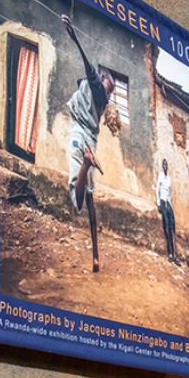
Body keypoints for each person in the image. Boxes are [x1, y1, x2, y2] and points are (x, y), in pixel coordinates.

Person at [61, 14, 115, 273]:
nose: (109, 91)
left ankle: (84, 164)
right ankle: (95, 256)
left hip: (79, 137)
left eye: (111, 88)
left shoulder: (98, 88)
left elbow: (91, 73)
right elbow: (87, 80)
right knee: (90, 201)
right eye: (110, 84)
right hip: (90, 140)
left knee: (77, 197)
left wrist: (75, 38)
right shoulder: (100, 99)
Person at [155, 158, 178, 262]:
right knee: (167, 224)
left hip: (168, 203)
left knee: (173, 226)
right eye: (163, 164)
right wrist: (158, 203)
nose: (165, 166)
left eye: (166, 165)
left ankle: (175, 254)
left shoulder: (169, 178)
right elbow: (157, 189)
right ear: (162, 166)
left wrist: (171, 204)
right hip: (163, 201)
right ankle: (169, 253)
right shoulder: (160, 175)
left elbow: (170, 192)